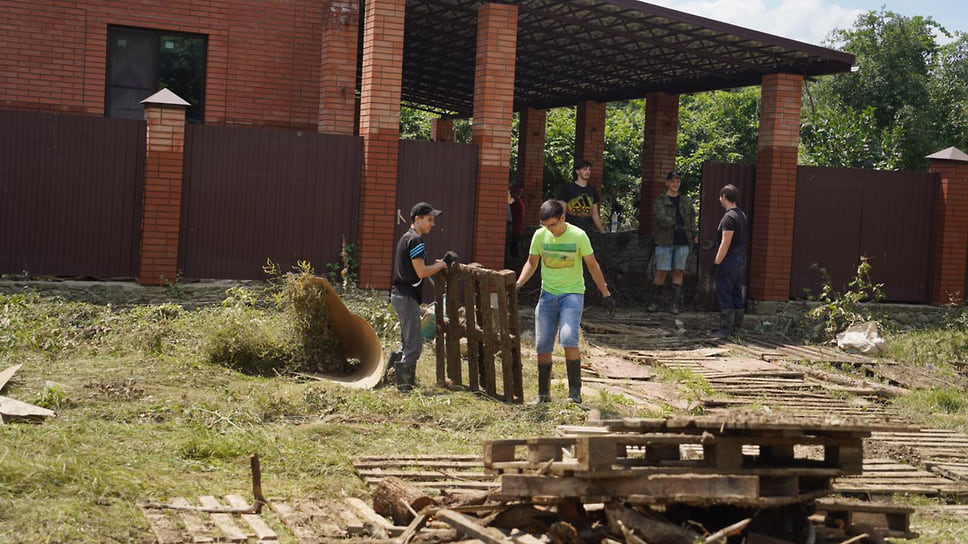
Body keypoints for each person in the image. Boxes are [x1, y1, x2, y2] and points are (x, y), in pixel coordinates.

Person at [515, 199, 615, 403]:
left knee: (569, 338)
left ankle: (574, 394)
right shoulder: (540, 235)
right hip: (547, 295)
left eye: (553, 224)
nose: (550, 229)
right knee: (542, 345)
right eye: (546, 225)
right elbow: (531, 262)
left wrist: (605, 293)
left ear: (563, 218)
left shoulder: (578, 236)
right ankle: (543, 395)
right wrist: (518, 284)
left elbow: (593, 265)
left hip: (572, 294)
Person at [390, 202, 456, 391]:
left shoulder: (405, 238)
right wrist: (443, 264)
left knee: (406, 341)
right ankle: (404, 388)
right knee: (414, 346)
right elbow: (421, 271)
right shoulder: (416, 241)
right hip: (406, 296)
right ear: (417, 219)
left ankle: (391, 378)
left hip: (399, 295)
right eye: (429, 219)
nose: (432, 224)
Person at [648, 171, 698, 314]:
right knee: (661, 271)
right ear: (667, 183)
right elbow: (660, 217)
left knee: (678, 271)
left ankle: (674, 305)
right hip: (664, 241)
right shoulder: (660, 200)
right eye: (673, 181)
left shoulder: (686, 201)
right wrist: (674, 223)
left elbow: (692, 220)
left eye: (678, 181)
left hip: (682, 241)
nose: (675, 184)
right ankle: (654, 303)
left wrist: (694, 235)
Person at [711, 185, 749, 338]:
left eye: (720, 196)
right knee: (737, 293)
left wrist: (716, 263)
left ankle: (724, 331)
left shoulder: (728, 217)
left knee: (725, 294)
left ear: (724, 197)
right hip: (740, 260)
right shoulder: (741, 215)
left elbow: (725, 242)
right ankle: (736, 330)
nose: (719, 199)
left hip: (729, 261)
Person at [558, 159, 605, 234]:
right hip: (570, 232)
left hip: (587, 232)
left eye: (589, 169)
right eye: (584, 169)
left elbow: (595, 214)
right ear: (577, 171)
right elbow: (562, 212)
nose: (588, 172)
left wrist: (603, 232)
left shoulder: (592, 191)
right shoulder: (567, 188)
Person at [506, 187, 525, 259]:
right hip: (517, 228)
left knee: (514, 247)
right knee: (515, 246)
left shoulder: (516, 202)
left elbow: (512, 213)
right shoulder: (519, 202)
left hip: (515, 228)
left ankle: (515, 263)